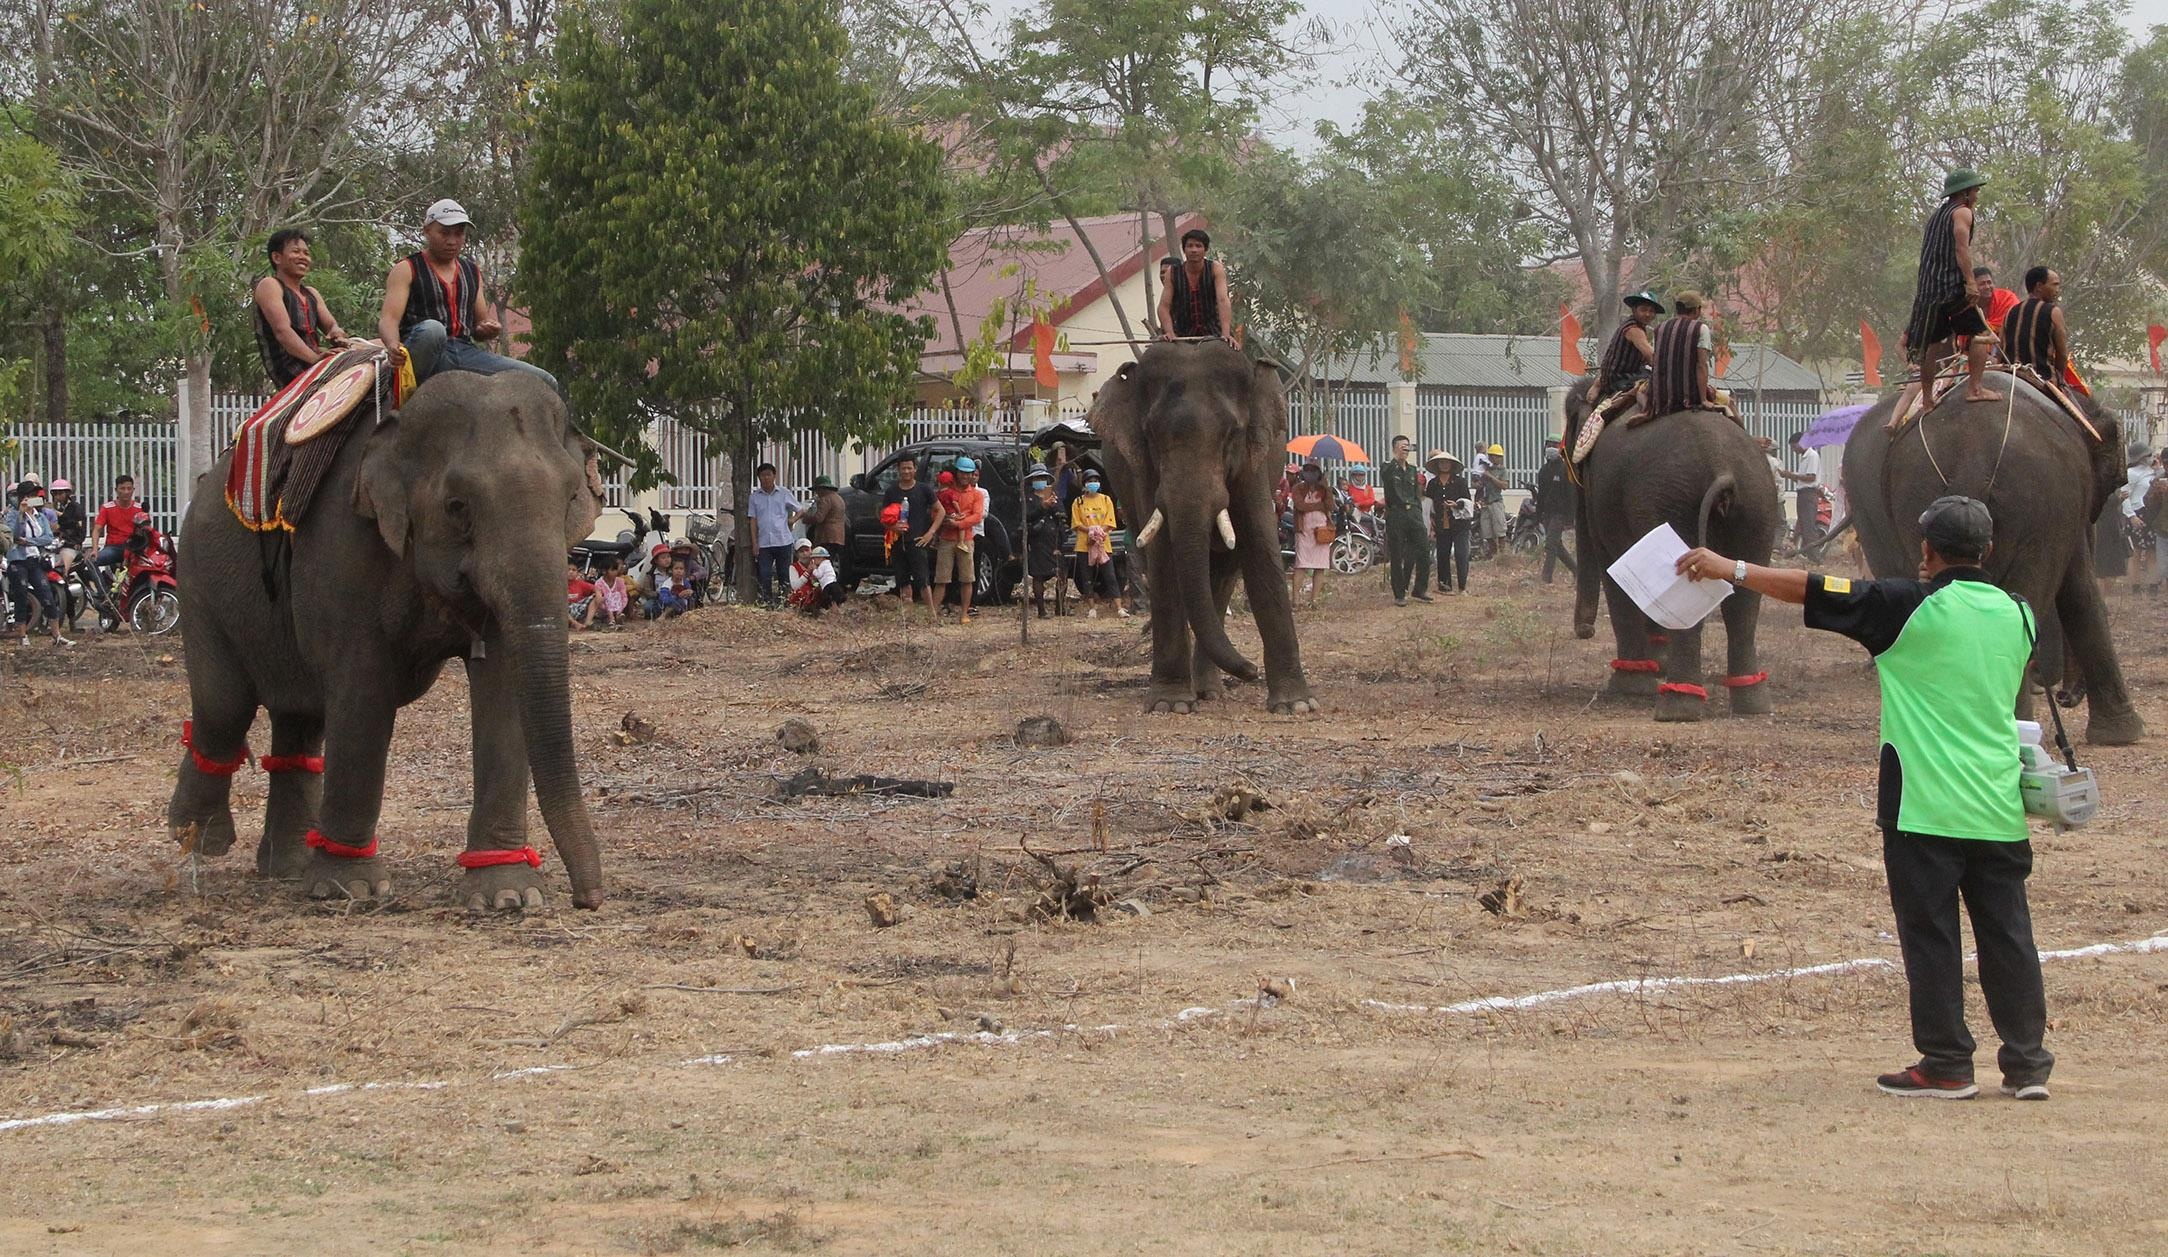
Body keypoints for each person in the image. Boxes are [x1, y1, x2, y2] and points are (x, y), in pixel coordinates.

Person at [1677, 496, 2053, 1100]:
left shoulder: (1905, 606)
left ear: (1926, 550)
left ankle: (1947, 1063)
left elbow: (1812, 588)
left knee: (1931, 935)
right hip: (1999, 806)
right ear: (1986, 551)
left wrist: (1732, 568)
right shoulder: (2021, 614)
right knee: (2008, 933)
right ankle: (2028, 1063)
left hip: (1924, 805)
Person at [377, 199, 557, 390]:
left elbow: (479, 326)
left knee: (545, 381)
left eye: (458, 234)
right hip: (425, 353)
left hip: (464, 352)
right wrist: (393, 345)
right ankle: (403, 388)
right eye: (444, 233)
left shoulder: (471, 271)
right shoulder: (407, 268)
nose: (452, 240)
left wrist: (488, 328)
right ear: (427, 231)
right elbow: (388, 319)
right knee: (433, 330)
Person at [1894, 170, 1997, 425]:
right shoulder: (1962, 212)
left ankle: (1927, 400)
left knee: (1930, 345)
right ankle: (1975, 389)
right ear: (1964, 193)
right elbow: (1961, 247)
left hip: (1928, 292)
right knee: (1978, 335)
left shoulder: (1935, 217)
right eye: (1975, 191)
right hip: (1952, 288)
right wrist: (1970, 282)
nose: (1977, 195)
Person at [253, 228, 353, 389]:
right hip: (291, 370)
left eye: (306, 253)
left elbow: (331, 325)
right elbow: (282, 332)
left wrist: (336, 332)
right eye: (296, 252)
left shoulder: (311, 293)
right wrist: (315, 359)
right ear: (277, 257)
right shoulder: (270, 285)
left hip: (315, 364)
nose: (303, 257)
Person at [4, 481, 71, 647]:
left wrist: (29, 542)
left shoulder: (40, 516)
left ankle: (56, 634)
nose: (31, 499)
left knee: (46, 593)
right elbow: (14, 535)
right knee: (21, 594)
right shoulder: (12, 515)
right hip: (17, 560)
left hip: (34, 560)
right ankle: (22, 634)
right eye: (28, 496)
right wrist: (21, 515)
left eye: (34, 496)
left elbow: (48, 537)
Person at [1644, 292, 1722, 420]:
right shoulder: (1700, 328)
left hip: (1661, 398)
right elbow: (1701, 365)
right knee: (1729, 402)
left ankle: (1646, 412)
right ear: (1697, 310)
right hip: (1689, 396)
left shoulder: (1659, 328)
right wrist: (1703, 400)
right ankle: (1751, 439)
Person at [928, 456, 986, 624]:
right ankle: (933, 615)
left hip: (967, 539)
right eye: (962, 473)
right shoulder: (945, 491)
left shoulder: (977, 494)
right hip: (946, 539)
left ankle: (964, 613)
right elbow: (935, 512)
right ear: (956, 472)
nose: (965, 476)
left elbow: (977, 516)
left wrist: (959, 523)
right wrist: (946, 521)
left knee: (967, 578)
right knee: (941, 579)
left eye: (968, 473)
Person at [1156, 228, 1234, 345]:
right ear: (1184, 249)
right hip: (1182, 334)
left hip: (1212, 332)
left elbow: (1223, 300)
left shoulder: (1215, 268)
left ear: (1205, 249)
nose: (1194, 250)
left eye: (1198, 246)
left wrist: (1226, 333)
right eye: (1190, 246)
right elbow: (1163, 306)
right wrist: (1170, 332)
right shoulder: (1172, 272)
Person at [1380, 437, 1431, 605]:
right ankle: (1399, 593)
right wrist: (1397, 461)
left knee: (1424, 549)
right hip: (1396, 514)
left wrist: (1417, 509)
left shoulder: (1413, 470)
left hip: (1413, 513)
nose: (1406, 450)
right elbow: (1387, 480)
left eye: (1408, 447)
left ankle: (1420, 589)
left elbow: (1416, 492)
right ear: (1395, 448)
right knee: (1397, 554)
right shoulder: (1388, 467)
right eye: (1402, 447)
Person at [884, 455, 938, 609]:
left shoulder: (924, 489)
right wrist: (893, 527)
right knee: (902, 580)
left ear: (915, 469)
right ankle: (908, 614)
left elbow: (939, 511)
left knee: (923, 580)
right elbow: (883, 517)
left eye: (909, 468)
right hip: (897, 541)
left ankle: (931, 614)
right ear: (898, 470)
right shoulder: (891, 491)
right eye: (903, 468)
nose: (906, 471)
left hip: (918, 540)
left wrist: (931, 533)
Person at [1999, 267, 2069, 383]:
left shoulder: (2010, 311)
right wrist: (2059, 378)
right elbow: (2062, 354)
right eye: (2054, 285)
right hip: (2042, 379)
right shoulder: (2054, 312)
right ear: (2039, 287)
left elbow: (2000, 349)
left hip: (2010, 376)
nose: (2057, 290)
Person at [1070, 472, 1125, 618]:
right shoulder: (1078, 502)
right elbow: (1076, 524)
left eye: (1095, 480)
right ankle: (1092, 608)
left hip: (1103, 544)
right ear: (1084, 484)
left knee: (1110, 575)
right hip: (1084, 544)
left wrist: (1098, 532)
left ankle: (1119, 607)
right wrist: (1091, 532)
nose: (1093, 483)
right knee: (1086, 576)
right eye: (1089, 481)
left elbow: (1110, 522)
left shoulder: (1106, 500)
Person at [1594, 291, 1663, 402]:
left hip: (1628, 373)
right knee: (1654, 387)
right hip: (1619, 378)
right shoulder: (1634, 330)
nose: (1647, 314)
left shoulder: (1634, 326)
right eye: (1643, 310)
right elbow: (1651, 356)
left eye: (1651, 311)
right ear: (1634, 310)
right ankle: (1645, 412)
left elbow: (1647, 359)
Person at [747, 463, 799, 606]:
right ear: (759, 478)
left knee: (784, 574)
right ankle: (767, 602)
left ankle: (785, 601)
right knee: (765, 574)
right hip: (764, 542)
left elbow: (801, 509)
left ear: (774, 476)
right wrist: (754, 542)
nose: (766, 478)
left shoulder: (783, 493)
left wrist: (792, 519)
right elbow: (753, 520)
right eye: (763, 475)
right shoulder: (754, 497)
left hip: (783, 540)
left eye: (769, 474)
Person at [1424, 451, 1473, 594]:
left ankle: (1462, 587)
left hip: (1460, 524)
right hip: (1441, 523)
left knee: (1461, 554)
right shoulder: (1433, 484)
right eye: (1441, 463)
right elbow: (1429, 504)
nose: (1444, 465)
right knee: (1442, 554)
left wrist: (1456, 505)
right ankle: (1444, 586)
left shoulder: (1460, 482)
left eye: (1447, 462)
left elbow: (1468, 503)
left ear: (1451, 465)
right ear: (1437, 465)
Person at [1287, 462, 1334, 607]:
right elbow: (1300, 505)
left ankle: (1314, 600)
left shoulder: (1324, 489)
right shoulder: (1298, 488)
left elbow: (1330, 505)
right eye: (1307, 471)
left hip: (1322, 531)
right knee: (1301, 564)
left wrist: (1326, 488)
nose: (1310, 474)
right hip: (1304, 530)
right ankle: (1295, 599)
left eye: (1314, 471)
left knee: (1320, 566)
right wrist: (1319, 506)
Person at [88, 473, 141, 600]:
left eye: (129, 488)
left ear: (133, 490)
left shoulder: (139, 508)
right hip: (114, 547)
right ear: (116, 490)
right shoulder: (107, 508)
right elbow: (97, 530)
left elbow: (146, 530)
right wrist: (95, 549)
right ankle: (103, 592)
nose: (126, 492)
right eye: (122, 489)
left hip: (134, 549)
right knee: (90, 560)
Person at [1025, 471, 1066, 618]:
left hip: (1054, 540)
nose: (1040, 481)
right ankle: (1041, 610)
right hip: (1037, 540)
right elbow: (1026, 517)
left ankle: (1060, 608)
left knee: (1062, 574)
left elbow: (1062, 516)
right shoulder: (1027, 498)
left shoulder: (1054, 495)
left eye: (1043, 478)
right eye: (1037, 478)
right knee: (1038, 576)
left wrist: (1053, 505)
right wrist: (1042, 507)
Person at [1534, 444, 1577, 583]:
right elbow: (1541, 495)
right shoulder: (1543, 471)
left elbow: (1570, 495)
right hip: (1547, 513)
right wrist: (1538, 515)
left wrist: (1570, 517)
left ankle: (1546, 578)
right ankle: (1577, 570)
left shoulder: (1564, 469)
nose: (1550, 449)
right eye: (1548, 446)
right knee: (1557, 546)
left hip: (1560, 513)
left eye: (1554, 446)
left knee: (1550, 544)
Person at [1776, 433, 1823, 551]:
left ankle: (1814, 555)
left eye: (1794, 447)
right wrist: (1788, 475)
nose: (1793, 450)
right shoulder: (1804, 457)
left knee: (1808, 526)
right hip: (1803, 493)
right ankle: (1805, 551)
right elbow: (1802, 479)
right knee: (1802, 523)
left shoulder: (1812, 456)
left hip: (1809, 493)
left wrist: (1791, 475)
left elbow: (1811, 477)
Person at [803, 474, 849, 589]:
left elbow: (819, 518)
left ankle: (825, 587)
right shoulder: (839, 498)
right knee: (831, 563)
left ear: (821, 489)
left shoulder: (825, 500)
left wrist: (806, 518)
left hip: (826, 535)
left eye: (817, 490)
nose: (817, 493)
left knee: (822, 563)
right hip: (839, 536)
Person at [1473, 446, 1509, 560]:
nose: (1497, 459)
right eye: (1495, 456)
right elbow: (1478, 484)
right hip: (1485, 502)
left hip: (1495, 501)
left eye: (1499, 457)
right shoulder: (1484, 468)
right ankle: (1492, 553)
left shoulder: (1501, 470)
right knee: (1486, 530)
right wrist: (1477, 484)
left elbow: (1504, 486)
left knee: (1500, 530)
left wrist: (1491, 477)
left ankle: (1502, 554)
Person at [585, 557, 630, 628]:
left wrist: (619, 608)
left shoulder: (620, 581)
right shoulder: (599, 583)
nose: (616, 572)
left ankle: (617, 616)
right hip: (603, 608)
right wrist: (606, 605)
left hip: (618, 607)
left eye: (616, 569)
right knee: (600, 598)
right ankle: (589, 621)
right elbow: (599, 597)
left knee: (617, 595)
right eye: (613, 570)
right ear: (604, 571)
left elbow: (624, 596)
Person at [566, 563, 596, 628]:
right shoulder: (559, 584)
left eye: (573, 570)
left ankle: (587, 623)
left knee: (597, 597)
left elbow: (597, 589)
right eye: (568, 569)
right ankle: (575, 624)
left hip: (577, 610)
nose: (571, 572)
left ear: (577, 573)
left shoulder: (580, 583)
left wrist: (598, 594)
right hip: (565, 611)